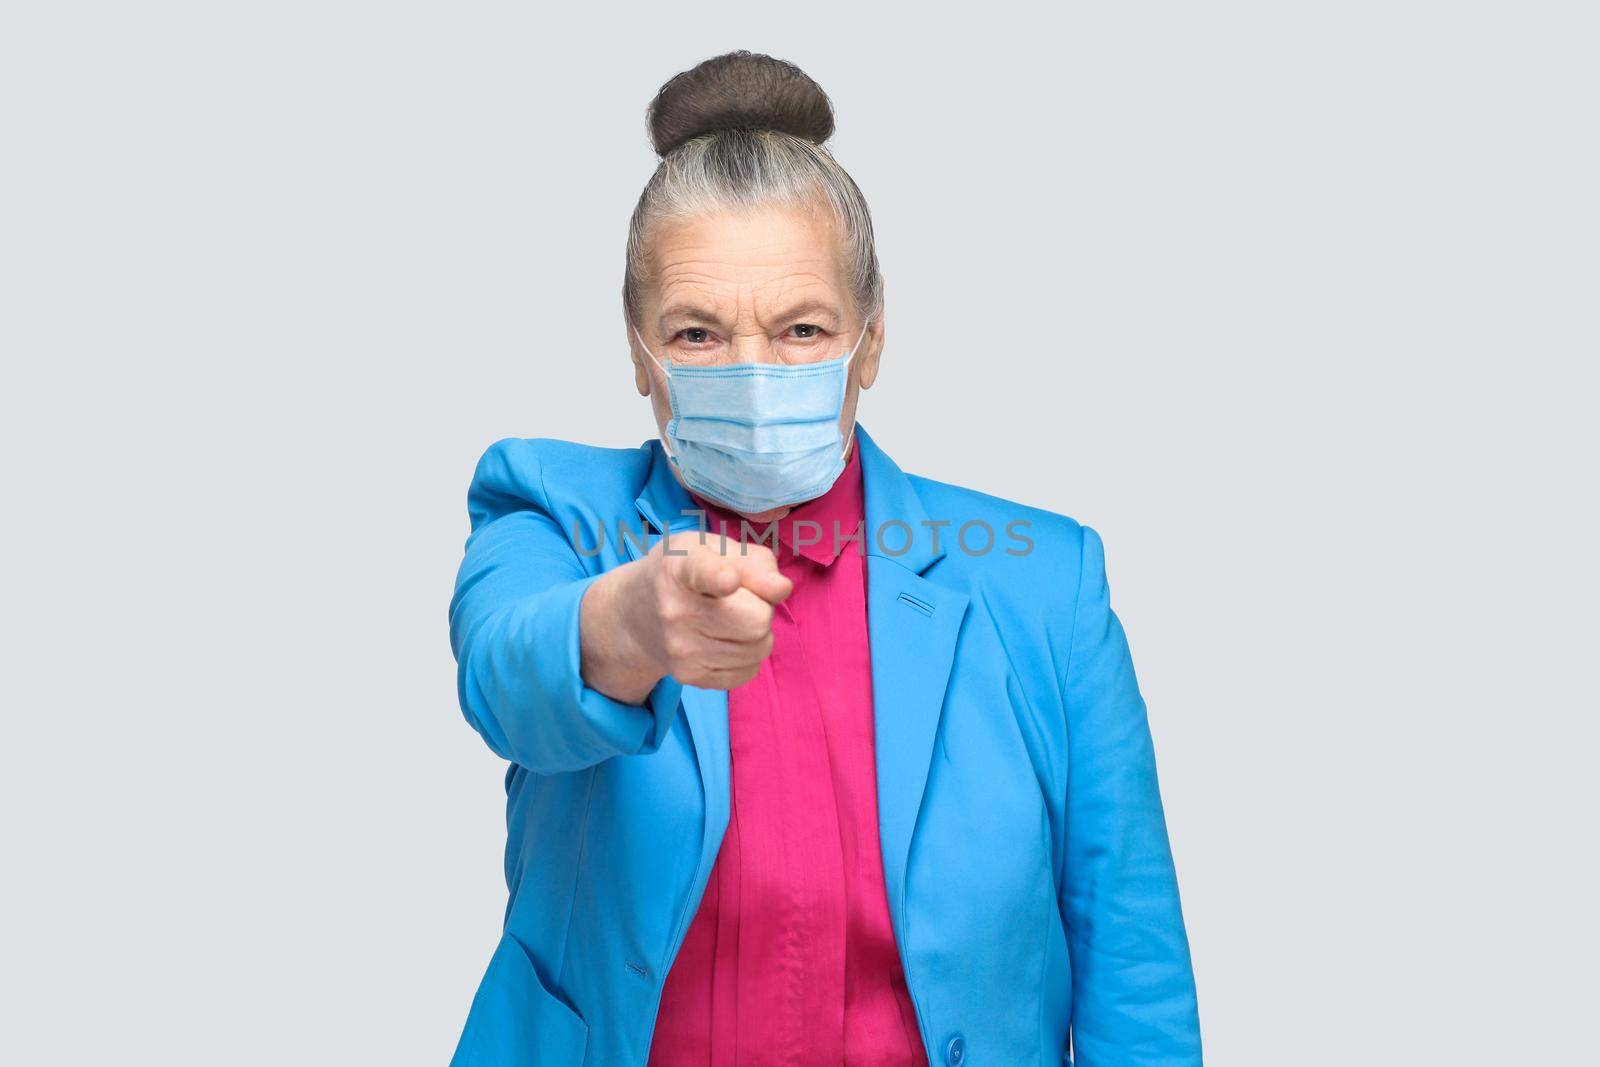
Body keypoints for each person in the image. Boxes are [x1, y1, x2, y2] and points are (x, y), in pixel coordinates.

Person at [447, 50, 1201, 1067]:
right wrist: (630, 623)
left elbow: (1129, 954)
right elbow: (505, 671)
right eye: (697, 333)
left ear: (871, 339)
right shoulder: (548, 510)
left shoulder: (1042, 580)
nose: (755, 372)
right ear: (638, 350)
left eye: (802, 328)